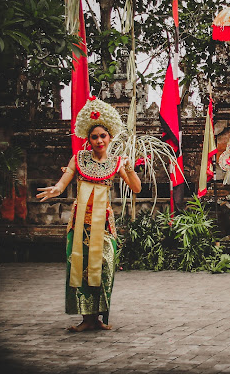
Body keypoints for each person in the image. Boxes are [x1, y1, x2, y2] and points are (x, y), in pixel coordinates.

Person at [37, 97, 141, 332]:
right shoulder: (79, 159)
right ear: (88, 139)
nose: (99, 140)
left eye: (102, 136)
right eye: (94, 137)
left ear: (110, 137)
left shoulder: (117, 162)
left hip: (103, 225)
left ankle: (100, 317)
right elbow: (62, 184)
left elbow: (136, 188)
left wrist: (129, 168)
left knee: (105, 267)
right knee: (80, 268)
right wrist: (55, 190)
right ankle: (87, 319)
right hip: (79, 224)